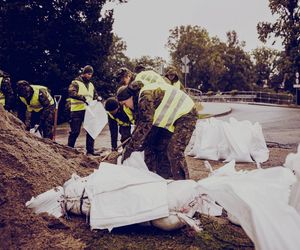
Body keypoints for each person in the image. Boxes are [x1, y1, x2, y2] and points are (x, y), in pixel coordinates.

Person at [116, 81, 198, 180]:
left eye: (125, 103)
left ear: (130, 97)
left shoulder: (145, 97)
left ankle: (183, 183)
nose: (125, 106)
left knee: (174, 150)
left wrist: (130, 148)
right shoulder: (139, 100)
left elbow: (145, 124)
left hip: (186, 114)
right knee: (157, 147)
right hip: (174, 119)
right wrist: (135, 144)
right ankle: (162, 178)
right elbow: (141, 128)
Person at [67, 65, 101, 156]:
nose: (89, 76)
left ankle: (90, 151)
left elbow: (95, 95)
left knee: (91, 131)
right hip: (77, 111)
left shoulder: (91, 85)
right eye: (88, 74)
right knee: (75, 131)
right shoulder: (75, 83)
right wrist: (82, 98)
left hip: (89, 111)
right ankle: (69, 150)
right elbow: (71, 92)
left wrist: (98, 98)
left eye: (91, 74)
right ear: (84, 73)